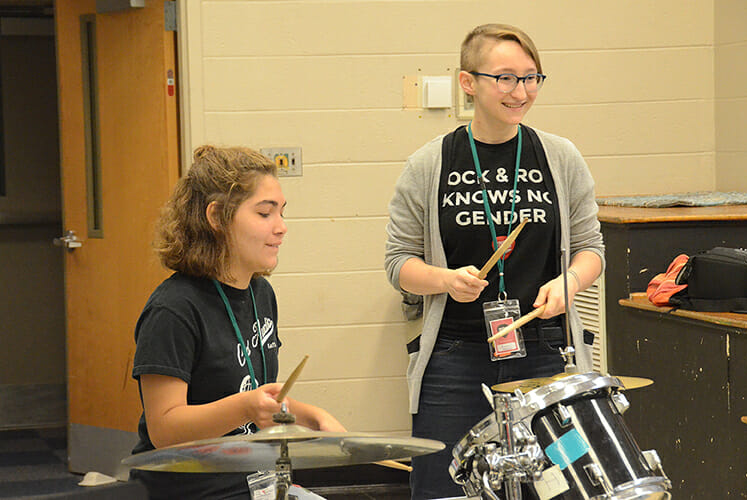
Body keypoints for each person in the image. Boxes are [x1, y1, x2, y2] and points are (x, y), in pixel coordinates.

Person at [385, 24, 605, 499]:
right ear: (469, 82)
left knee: (559, 487)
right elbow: (398, 262)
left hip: (546, 352)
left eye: (531, 78)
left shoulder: (560, 158)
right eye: (505, 78)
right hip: (454, 357)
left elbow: (592, 249)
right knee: (445, 489)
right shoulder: (429, 163)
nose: (520, 91)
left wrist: (569, 282)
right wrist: (444, 279)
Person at [130, 145, 345, 499]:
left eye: (281, 213)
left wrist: (313, 416)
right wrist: (244, 406)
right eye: (264, 213)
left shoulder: (261, 293)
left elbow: (263, 399)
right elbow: (164, 429)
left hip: (253, 479)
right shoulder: (174, 308)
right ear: (216, 218)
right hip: (193, 490)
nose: (282, 227)